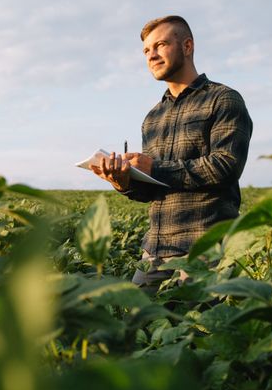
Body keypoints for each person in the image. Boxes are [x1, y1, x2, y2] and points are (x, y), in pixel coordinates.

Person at [92, 15, 252, 289]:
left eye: (160, 45)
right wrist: (125, 182)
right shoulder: (152, 117)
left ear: (187, 46)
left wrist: (153, 167)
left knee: (200, 328)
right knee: (138, 324)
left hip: (206, 248)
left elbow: (225, 166)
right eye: (146, 50)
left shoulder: (223, 99)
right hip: (155, 251)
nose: (151, 55)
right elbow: (154, 191)